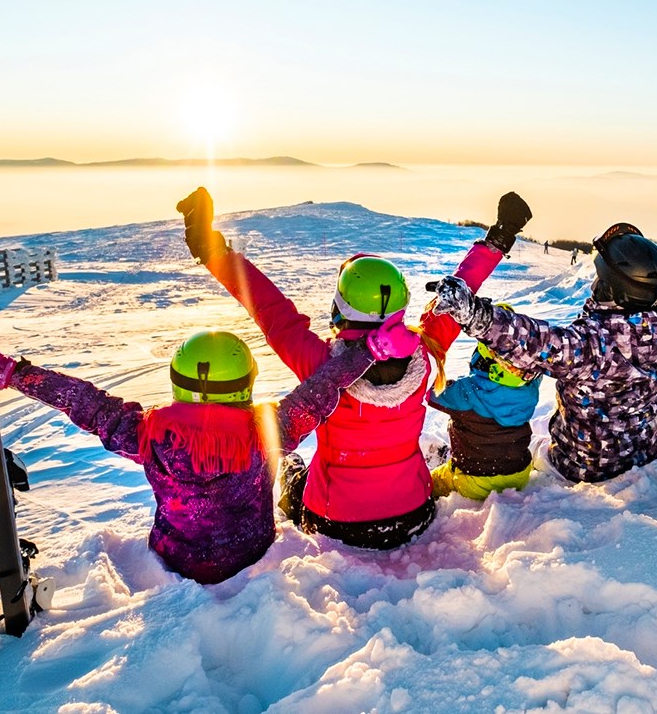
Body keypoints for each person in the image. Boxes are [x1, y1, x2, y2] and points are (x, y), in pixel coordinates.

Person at [177, 187, 532, 549]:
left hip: (336, 521)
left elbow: (269, 308)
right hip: (413, 513)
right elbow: (459, 293)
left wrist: (212, 250)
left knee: (293, 475)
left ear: (341, 306)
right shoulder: (424, 353)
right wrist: (500, 237)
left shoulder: (320, 365)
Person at [0, 324, 412, 583]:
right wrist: (369, 351)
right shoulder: (266, 432)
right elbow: (321, 390)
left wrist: (13, 374)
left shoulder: (148, 434)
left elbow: (83, 401)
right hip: (252, 554)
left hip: (177, 560)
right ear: (245, 384)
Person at [429, 195, 657, 484]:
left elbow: (529, 340)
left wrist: (471, 312)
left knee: (528, 454)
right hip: (644, 454)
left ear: (611, 288)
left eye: (600, 277)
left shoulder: (590, 345)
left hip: (580, 468)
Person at [428, 302, 542, 501]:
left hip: (475, 481)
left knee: (432, 482)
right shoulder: (529, 387)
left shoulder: (467, 392)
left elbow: (431, 392)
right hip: (519, 473)